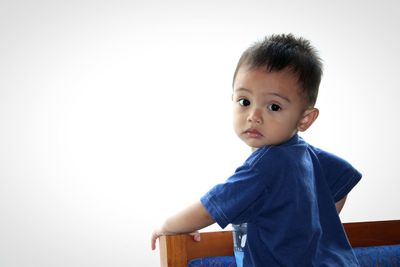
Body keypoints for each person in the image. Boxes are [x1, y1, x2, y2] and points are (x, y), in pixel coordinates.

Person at [151, 34, 362, 266]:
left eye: (273, 106)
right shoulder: (306, 154)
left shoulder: (267, 164)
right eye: (244, 101)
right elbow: (342, 181)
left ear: (305, 118)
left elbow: (208, 209)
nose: (254, 116)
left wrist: (167, 226)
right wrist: (314, 229)